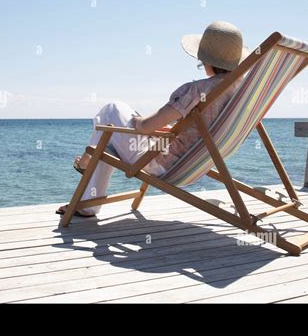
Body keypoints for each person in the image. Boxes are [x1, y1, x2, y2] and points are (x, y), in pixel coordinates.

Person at [56, 21, 249, 217]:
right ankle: (88, 200)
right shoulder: (242, 92)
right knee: (107, 142)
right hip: (196, 163)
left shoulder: (197, 91)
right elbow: (198, 131)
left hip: (161, 163)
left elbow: (146, 126)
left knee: (111, 110)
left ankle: (86, 167)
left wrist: (137, 121)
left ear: (206, 60)